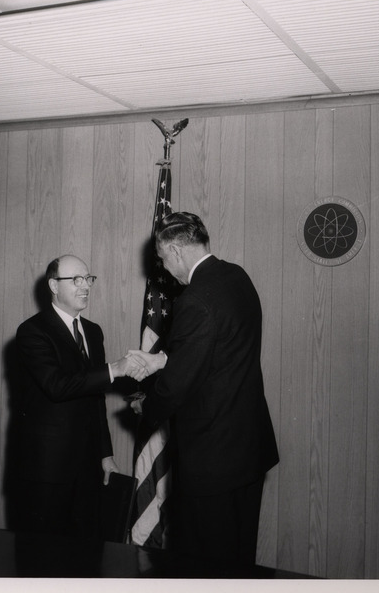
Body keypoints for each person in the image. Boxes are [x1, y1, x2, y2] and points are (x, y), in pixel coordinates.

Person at [128, 212, 279, 566]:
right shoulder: (236, 277)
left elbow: (175, 388)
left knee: (206, 562)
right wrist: (162, 358)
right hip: (248, 448)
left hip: (214, 458)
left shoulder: (194, 299)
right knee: (239, 556)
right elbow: (217, 349)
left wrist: (145, 407)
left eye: (164, 261)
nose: (165, 270)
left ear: (178, 252)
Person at [13, 255, 146, 540]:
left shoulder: (93, 331)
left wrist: (106, 454)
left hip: (87, 468)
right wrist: (115, 369)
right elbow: (57, 385)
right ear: (53, 285)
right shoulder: (32, 331)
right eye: (76, 280)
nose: (85, 286)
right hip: (46, 470)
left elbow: (94, 399)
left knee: (86, 555)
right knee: (42, 559)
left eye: (88, 279)